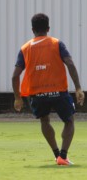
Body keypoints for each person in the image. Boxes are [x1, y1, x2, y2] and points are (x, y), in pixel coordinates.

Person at [12, 13, 85, 165]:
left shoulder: (25, 48)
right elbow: (70, 64)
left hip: (37, 95)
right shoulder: (57, 43)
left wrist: (18, 98)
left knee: (44, 121)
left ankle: (56, 154)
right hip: (59, 92)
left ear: (33, 29)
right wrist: (78, 87)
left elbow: (15, 76)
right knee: (69, 121)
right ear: (48, 28)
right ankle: (63, 157)